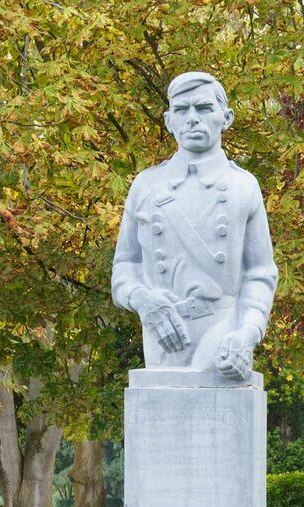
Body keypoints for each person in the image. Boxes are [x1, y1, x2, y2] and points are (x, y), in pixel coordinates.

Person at [111, 71, 279, 383]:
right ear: (168, 120)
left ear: (225, 118)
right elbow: (125, 266)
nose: (192, 119)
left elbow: (260, 272)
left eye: (203, 109)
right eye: (181, 110)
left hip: (224, 330)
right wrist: (141, 299)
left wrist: (247, 332)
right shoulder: (145, 186)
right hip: (162, 332)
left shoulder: (243, 186)